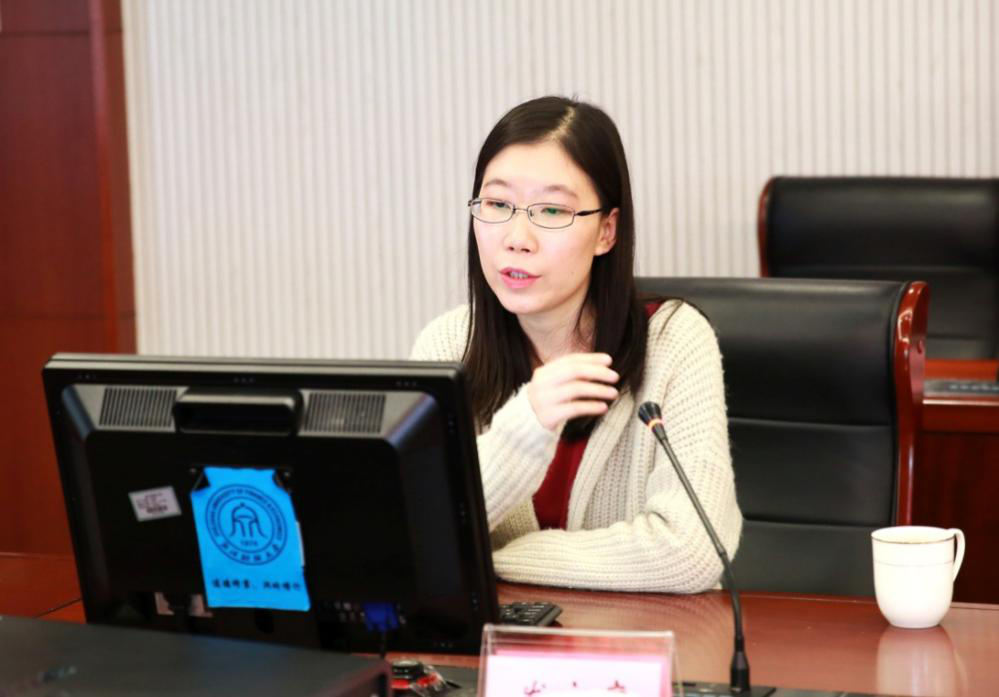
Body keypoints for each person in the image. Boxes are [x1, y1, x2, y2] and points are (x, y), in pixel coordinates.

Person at [410, 96, 742, 593]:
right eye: (497, 205)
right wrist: (524, 427)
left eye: (551, 210)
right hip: (500, 638)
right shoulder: (448, 345)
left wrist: (490, 559)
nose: (517, 238)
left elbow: (693, 552)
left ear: (607, 231)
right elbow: (417, 533)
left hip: (641, 638)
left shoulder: (674, 340)